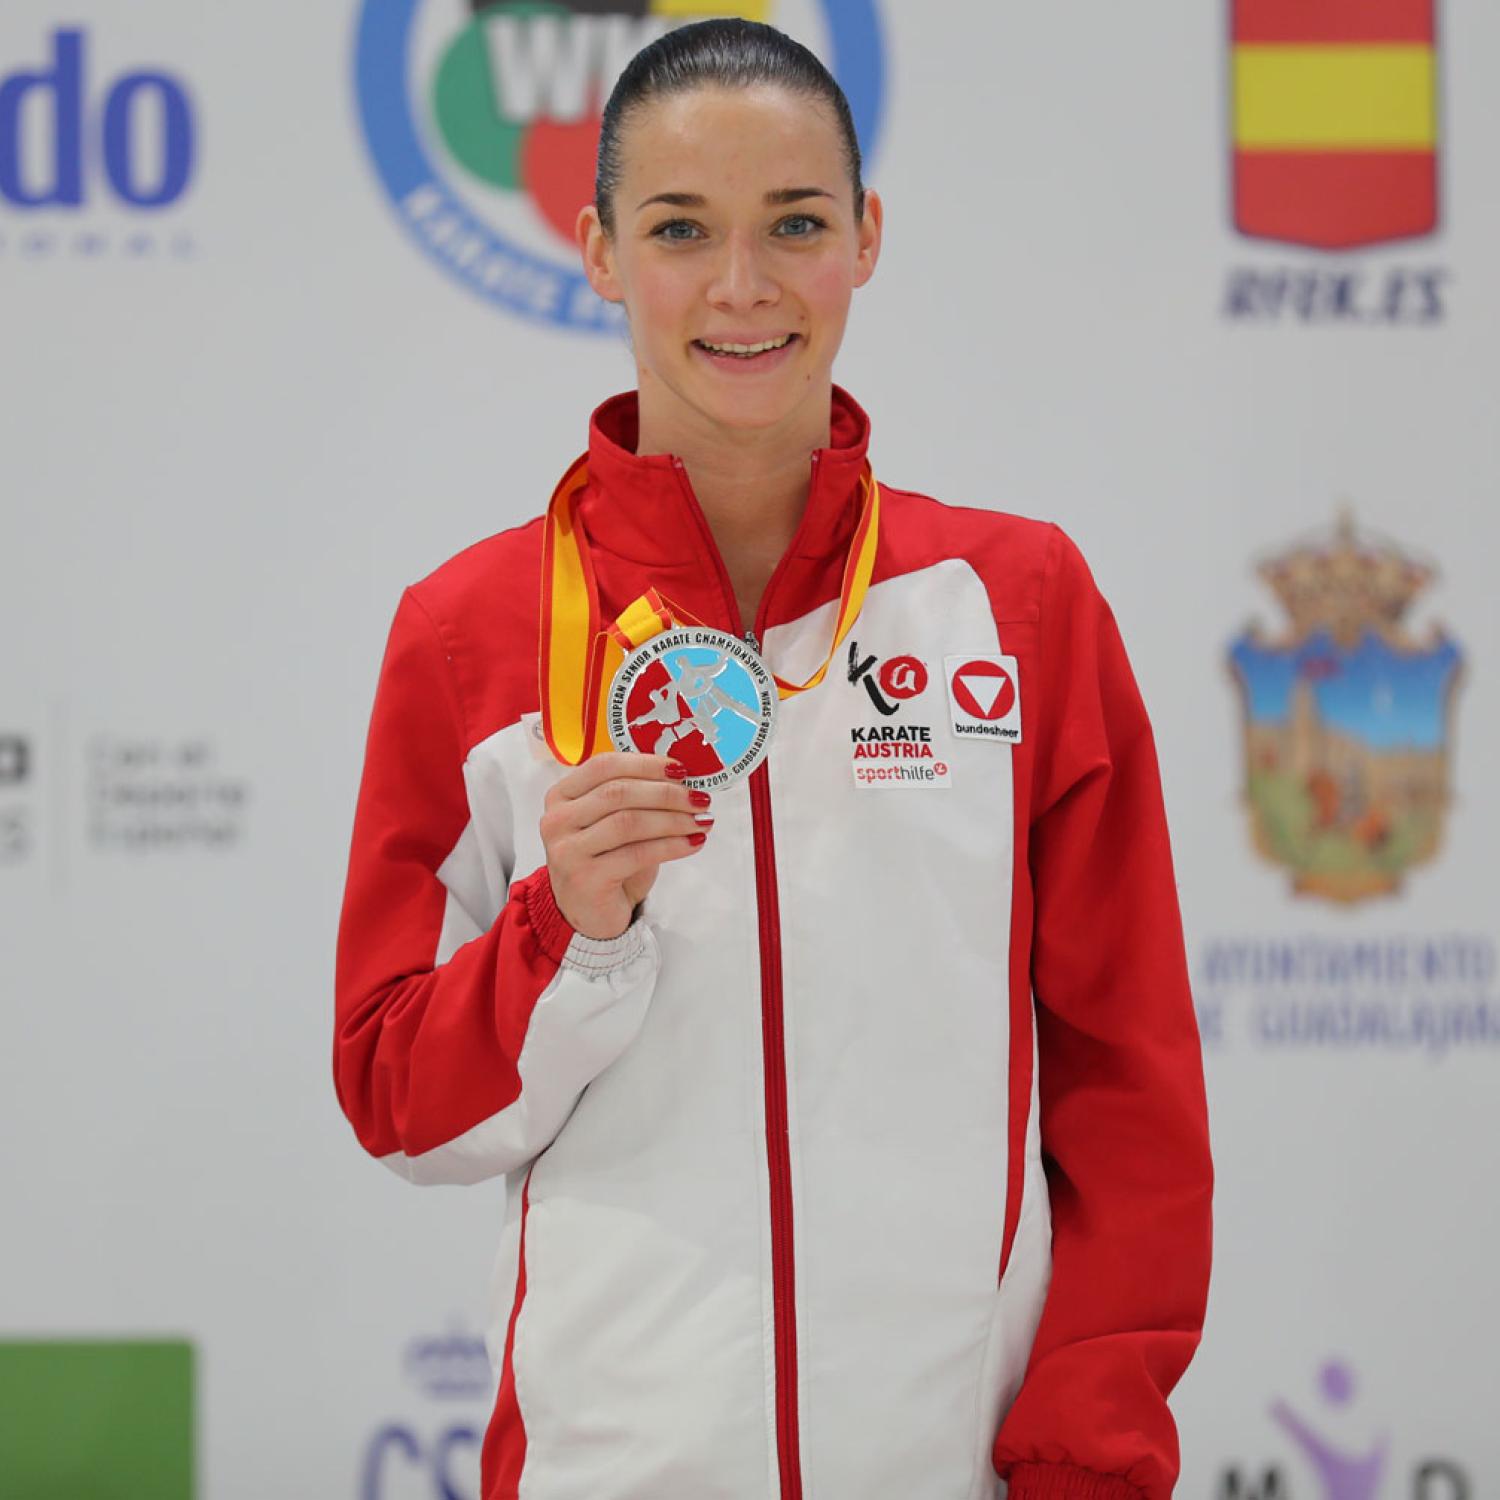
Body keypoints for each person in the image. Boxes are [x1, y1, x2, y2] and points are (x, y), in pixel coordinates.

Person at [334, 19, 1212, 1500]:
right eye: (681, 229)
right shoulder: (469, 637)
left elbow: (1130, 1096)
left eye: (795, 224)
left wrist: (1087, 1468)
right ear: (600, 251)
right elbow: (400, 1105)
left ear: (865, 238)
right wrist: (565, 931)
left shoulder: (1019, 607)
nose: (742, 286)